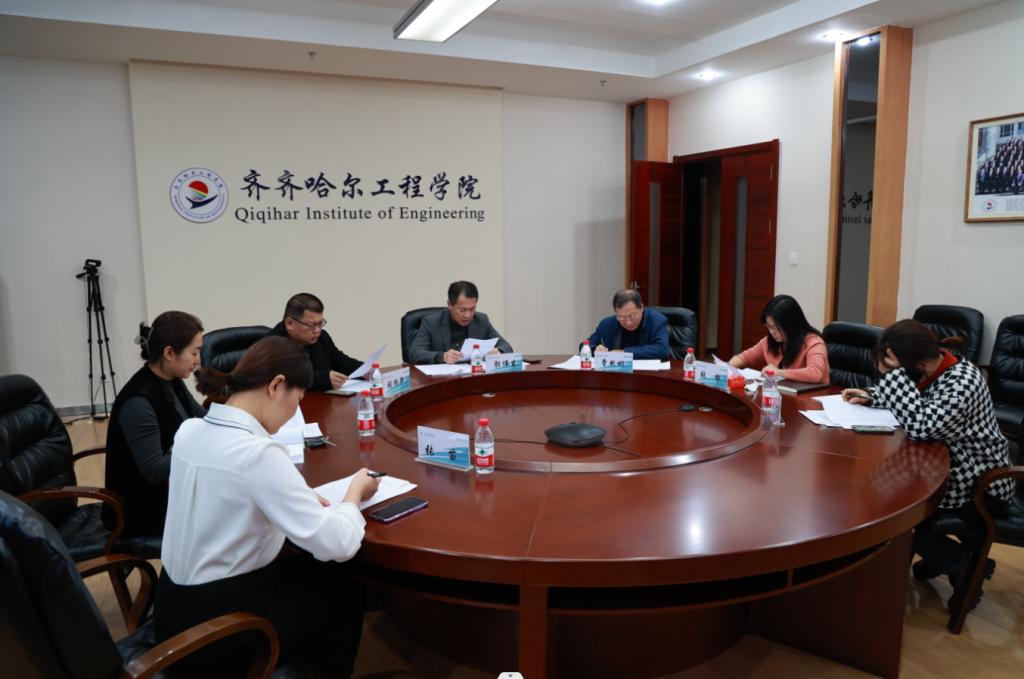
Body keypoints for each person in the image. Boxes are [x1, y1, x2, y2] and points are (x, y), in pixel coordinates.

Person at [155, 336, 380, 677]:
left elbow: (230, 497)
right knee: (344, 585)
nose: (292, 415)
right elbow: (338, 544)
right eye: (297, 401)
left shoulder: (189, 430)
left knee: (307, 569)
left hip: (172, 610)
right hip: (220, 630)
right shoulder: (257, 453)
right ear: (276, 386)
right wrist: (354, 495)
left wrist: (292, 498)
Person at [842, 319, 1014, 610]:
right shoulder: (935, 369)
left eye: (894, 372)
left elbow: (921, 425)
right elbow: (920, 398)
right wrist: (872, 396)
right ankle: (945, 559)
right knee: (887, 497)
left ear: (918, 365)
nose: (891, 377)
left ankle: (961, 564)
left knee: (898, 515)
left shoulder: (963, 382)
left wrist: (895, 378)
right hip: (949, 469)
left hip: (981, 483)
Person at [104, 311, 205, 537]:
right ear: (169, 353)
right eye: (194, 352)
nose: (198, 360)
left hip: (172, 491)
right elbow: (155, 471)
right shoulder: (138, 402)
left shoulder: (171, 380)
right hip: (142, 512)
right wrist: (197, 441)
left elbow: (200, 416)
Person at [270, 292, 361, 390]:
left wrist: (364, 370)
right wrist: (323, 379)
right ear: (290, 323)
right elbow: (284, 380)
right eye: (312, 325)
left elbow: (339, 360)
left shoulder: (321, 337)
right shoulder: (270, 346)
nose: (317, 330)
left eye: (320, 323)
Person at [728, 294, 829, 383]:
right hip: (781, 394)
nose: (772, 332)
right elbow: (744, 358)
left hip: (810, 396)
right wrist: (727, 368)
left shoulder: (814, 343)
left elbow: (815, 373)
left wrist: (779, 372)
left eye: (776, 327)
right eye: (769, 327)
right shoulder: (769, 341)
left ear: (791, 324)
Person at [407, 280, 513, 364]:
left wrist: (498, 351)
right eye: (463, 310)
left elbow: (506, 346)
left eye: (472, 309)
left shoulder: (481, 320)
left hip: (472, 377)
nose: (468, 315)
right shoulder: (431, 322)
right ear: (450, 305)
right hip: (442, 379)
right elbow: (414, 353)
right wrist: (442, 356)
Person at [584, 289, 670, 360]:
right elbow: (585, 345)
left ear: (641, 308)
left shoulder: (656, 321)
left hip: (647, 373)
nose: (628, 322)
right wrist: (595, 349)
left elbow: (662, 350)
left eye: (632, 317)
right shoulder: (607, 324)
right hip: (617, 372)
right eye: (621, 317)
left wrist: (624, 353)